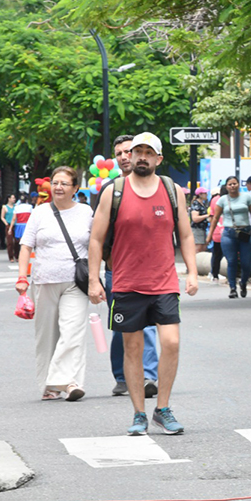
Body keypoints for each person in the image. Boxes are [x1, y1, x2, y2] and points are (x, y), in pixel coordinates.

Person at [87, 132, 199, 436]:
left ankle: (162, 408)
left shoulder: (172, 191)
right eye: (138, 152)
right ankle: (139, 413)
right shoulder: (114, 192)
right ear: (131, 156)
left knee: (171, 343)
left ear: (158, 159)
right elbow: (96, 238)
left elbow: (185, 234)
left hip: (164, 282)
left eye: (149, 153)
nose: (142, 157)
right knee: (132, 349)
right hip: (126, 282)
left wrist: (192, 272)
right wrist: (94, 279)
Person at [15, 167, 92, 401]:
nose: (58, 187)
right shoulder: (40, 212)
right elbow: (26, 246)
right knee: (47, 336)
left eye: (64, 184)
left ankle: (70, 382)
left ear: (75, 188)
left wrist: (96, 279)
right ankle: (50, 385)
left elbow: (96, 244)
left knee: (73, 332)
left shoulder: (86, 212)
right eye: (55, 183)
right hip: (45, 280)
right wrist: (22, 277)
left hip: (76, 282)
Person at [101, 134, 161, 398]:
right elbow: (98, 234)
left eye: (128, 151)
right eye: (119, 154)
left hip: (150, 269)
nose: (125, 157)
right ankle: (122, 376)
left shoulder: (158, 187)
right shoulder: (110, 190)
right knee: (122, 324)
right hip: (118, 269)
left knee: (148, 323)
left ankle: (148, 376)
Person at [206, 175, 251, 298]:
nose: (232, 186)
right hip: (229, 234)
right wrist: (210, 235)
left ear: (238, 185)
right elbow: (215, 218)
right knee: (231, 261)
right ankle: (232, 288)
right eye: (230, 184)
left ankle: (243, 282)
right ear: (226, 187)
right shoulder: (222, 200)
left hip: (245, 233)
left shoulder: (247, 197)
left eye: (234, 183)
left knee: (246, 263)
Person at [10, 195, 33, 264]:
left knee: (21, 243)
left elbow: (14, 219)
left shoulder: (16, 207)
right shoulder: (30, 207)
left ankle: (21, 256)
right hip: (27, 225)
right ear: (26, 200)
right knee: (27, 242)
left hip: (19, 226)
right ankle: (27, 256)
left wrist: (10, 228)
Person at [207, 186, 224, 282]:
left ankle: (214, 274)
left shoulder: (214, 200)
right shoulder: (228, 199)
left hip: (217, 230)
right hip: (227, 231)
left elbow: (211, 217)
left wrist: (211, 232)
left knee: (216, 254)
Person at [189, 186, 211, 255]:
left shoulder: (203, 204)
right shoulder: (196, 204)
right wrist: (206, 216)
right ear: (200, 194)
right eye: (205, 193)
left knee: (203, 247)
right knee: (198, 248)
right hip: (197, 229)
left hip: (203, 229)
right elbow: (195, 218)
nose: (206, 194)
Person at [2, 195, 16, 261]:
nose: (14, 199)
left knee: (17, 241)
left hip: (15, 225)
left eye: (14, 198)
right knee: (10, 241)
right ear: (9, 199)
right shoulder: (5, 207)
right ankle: (11, 256)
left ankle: (17, 255)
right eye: (13, 198)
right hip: (8, 224)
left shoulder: (16, 207)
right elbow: (2, 217)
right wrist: (6, 224)